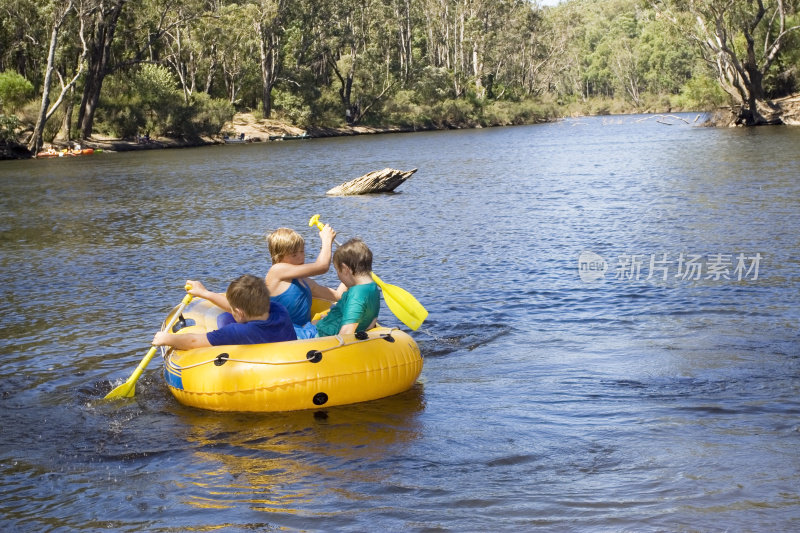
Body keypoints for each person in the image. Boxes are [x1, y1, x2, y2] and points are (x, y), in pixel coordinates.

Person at [152, 274, 296, 350]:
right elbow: (245, 307)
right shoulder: (280, 311)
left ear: (239, 313)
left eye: (233, 311)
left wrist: (168, 339)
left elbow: (194, 341)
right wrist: (205, 293)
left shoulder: (238, 331)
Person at [265, 226, 343, 339]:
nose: (301, 257)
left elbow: (337, 296)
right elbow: (322, 266)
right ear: (278, 257)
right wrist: (327, 240)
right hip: (285, 333)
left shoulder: (304, 281)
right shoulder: (276, 271)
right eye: (294, 254)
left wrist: (353, 272)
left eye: (302, 251)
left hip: (304, 332)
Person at [314, 238, 380, 337]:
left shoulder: (357, 294)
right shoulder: (373, 288)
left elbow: (346, 332)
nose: (338, 276)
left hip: (320, 335)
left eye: (337, 270)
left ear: (345, 269)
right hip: (326, 326)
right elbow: (372, 322)